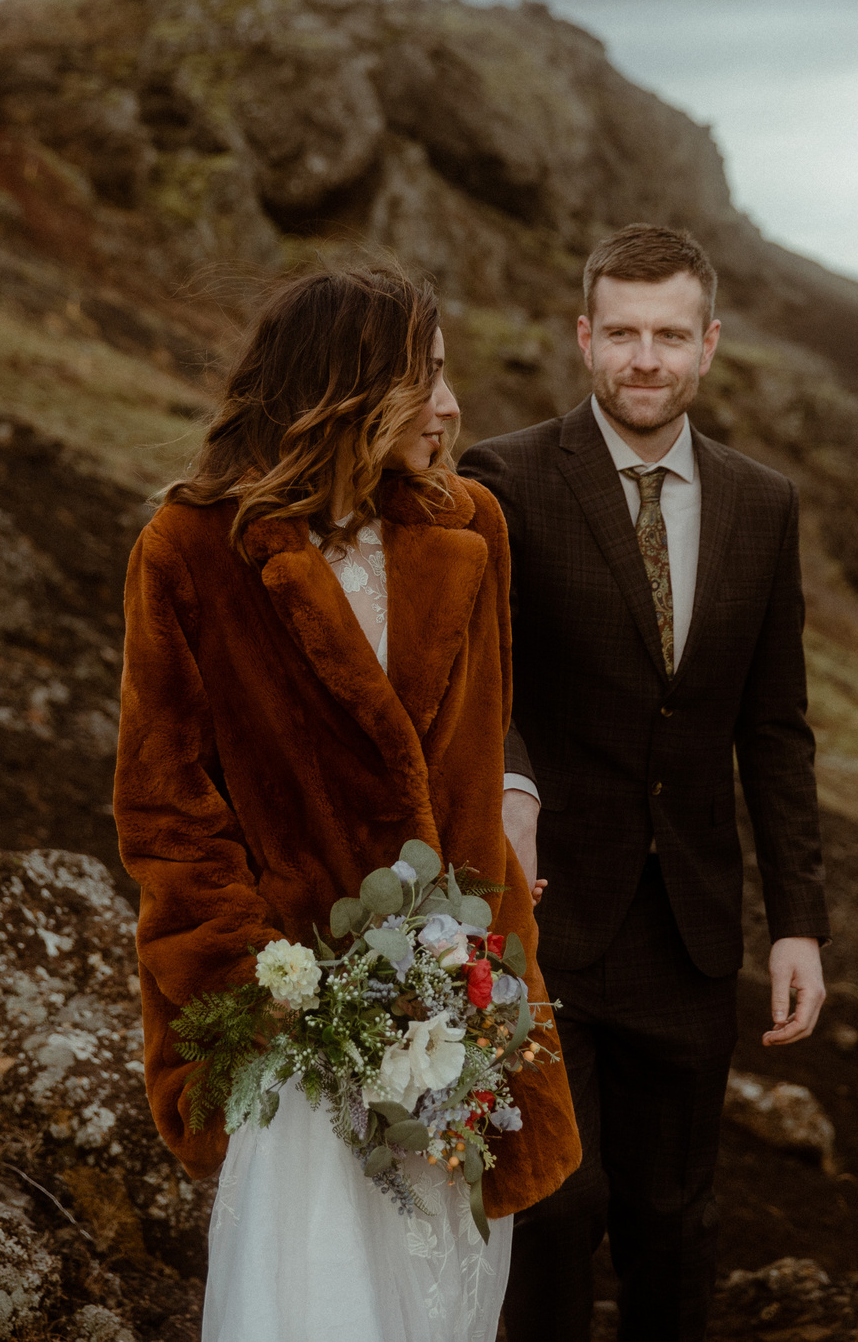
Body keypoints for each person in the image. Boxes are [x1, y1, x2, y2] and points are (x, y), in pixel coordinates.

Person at [114, 267, 581, 1342]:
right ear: (344, 389)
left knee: (446, 1303)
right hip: (300, 1029)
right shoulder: (190, 550)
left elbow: (483, 735)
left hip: (468, 1019)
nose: (453, 411)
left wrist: (488, 941)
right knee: (319, 1308)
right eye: (426, 384)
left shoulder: (474, 527)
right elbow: (167, 811)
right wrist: (262, 990)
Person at [463, 223, 827, 1342]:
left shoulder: (762, 506)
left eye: (669, 335)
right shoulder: (506, 481)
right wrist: (514, 794)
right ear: (583, 337)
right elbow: (484, 687)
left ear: (708, 345)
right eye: (620, 333)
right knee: (557, 1205)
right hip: (547, 915)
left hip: (690, 929)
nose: (643, 359)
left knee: (676, 1219)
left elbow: (774, 730)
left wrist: (797, 926)